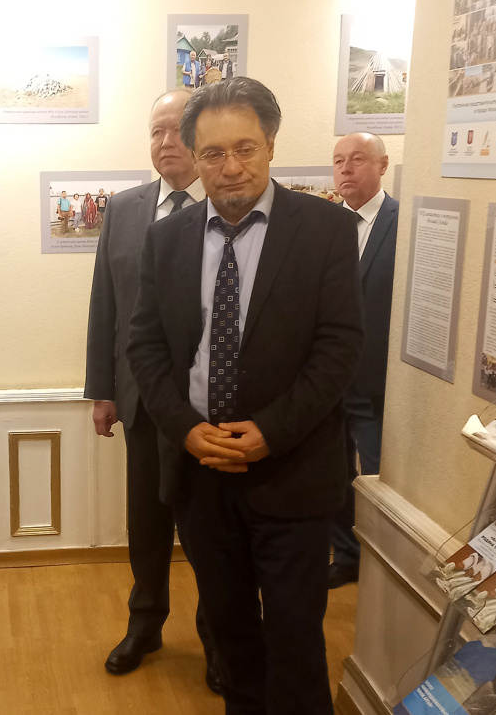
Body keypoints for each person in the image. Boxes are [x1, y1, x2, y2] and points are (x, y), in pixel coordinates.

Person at [127, 77, 363, 715]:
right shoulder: (166, 239)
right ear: (193, 156)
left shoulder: (325, 229)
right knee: (230, 640)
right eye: (213, 153)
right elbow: (145, 348)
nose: (230, 168)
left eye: (245, 149)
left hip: (293, 474)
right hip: (202, 476)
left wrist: (271, 432)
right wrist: (184, 429)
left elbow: (339, 348)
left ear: (271, 145)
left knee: (295, 642)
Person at [85, 88, 221, 692]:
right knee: (146, 525)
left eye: (177, 130)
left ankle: (219, 638)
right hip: (140, 401)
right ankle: (145, 624)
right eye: (156, 132)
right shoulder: (124, 209)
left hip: (211, 406)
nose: (166, 143)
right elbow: (105, 303)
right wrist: (102, 389)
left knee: (210, 532)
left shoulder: (229, 206)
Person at [329, 132, 398, 588]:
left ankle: (378, 570)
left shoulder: (403, 223)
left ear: (382, 165)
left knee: (374, 477)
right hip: (327, 383)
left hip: (374, 383)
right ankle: (348, 556)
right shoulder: (325, 225)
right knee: (333, 475)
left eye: (357, 159)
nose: (346, 169)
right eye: (339, 161)